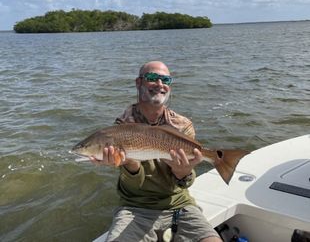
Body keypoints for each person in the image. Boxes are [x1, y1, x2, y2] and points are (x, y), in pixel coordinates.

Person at [92, 61, 221, 242]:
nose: (160, 84)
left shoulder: (183, 125)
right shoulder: (123, 125)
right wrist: (129, 162)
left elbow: (185, 183)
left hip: (178, 203)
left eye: (165, 80)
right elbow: (133, 184)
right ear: (139, 83)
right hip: (135, 206)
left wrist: (183, 173)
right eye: (153, 78)